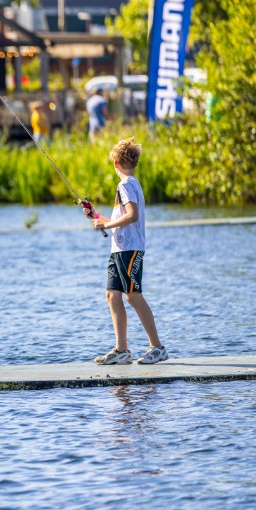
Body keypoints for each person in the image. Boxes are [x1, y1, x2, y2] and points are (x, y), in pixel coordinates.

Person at [84, 137, 168, 366]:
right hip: (119, 249)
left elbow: (132, 216)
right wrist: (96, 216)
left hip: (130, 249)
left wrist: (105, 225)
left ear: (116, 163)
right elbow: (120, 220)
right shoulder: (130, 184)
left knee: (133, 296)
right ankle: (121, 350)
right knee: (112, 295)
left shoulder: (126, 185)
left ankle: (157, 347)